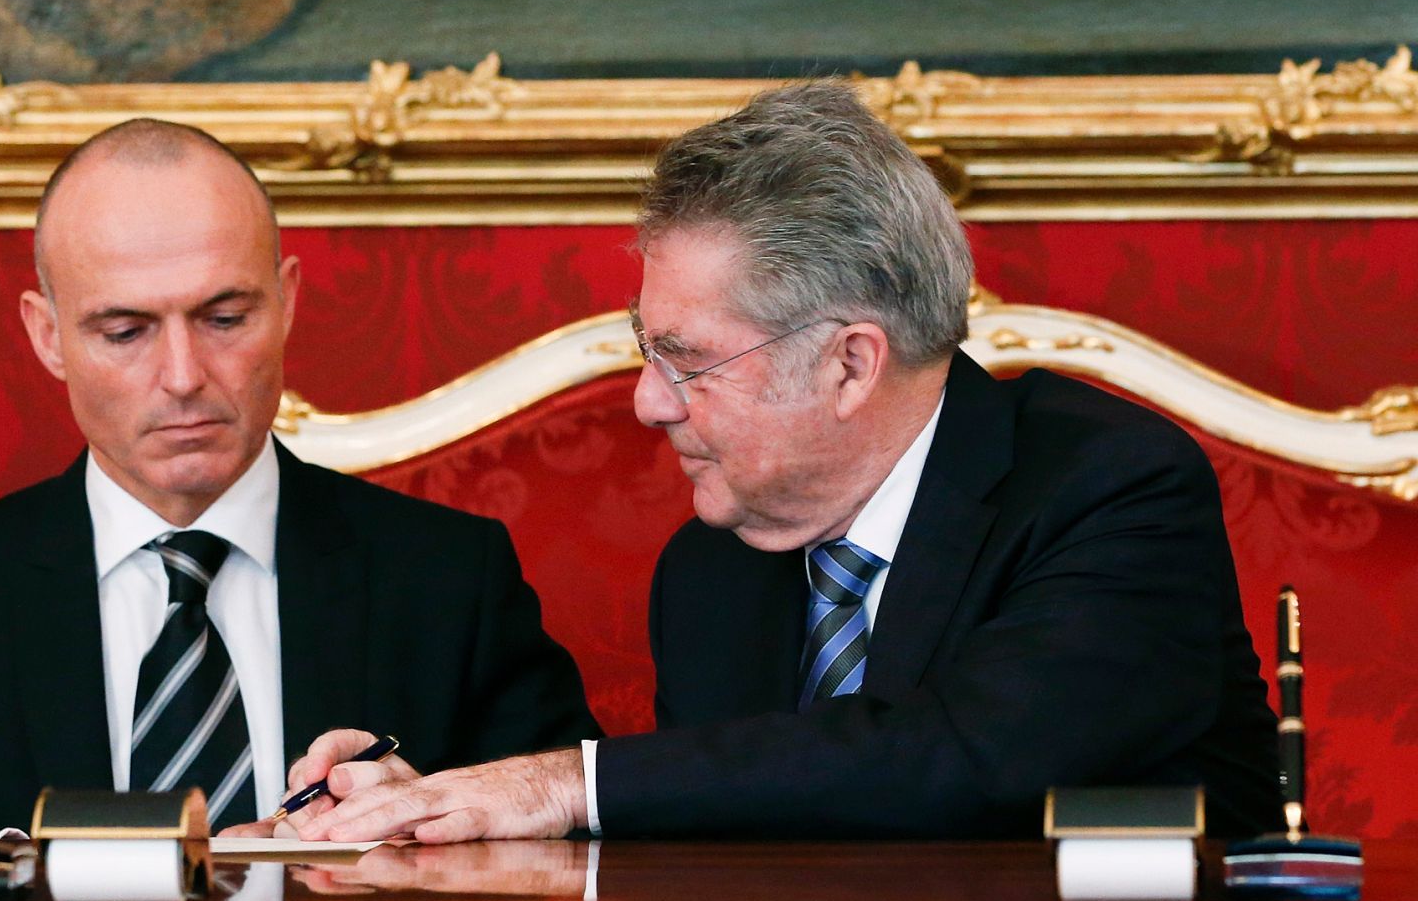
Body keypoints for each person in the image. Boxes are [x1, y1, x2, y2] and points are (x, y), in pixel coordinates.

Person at [272, 78, 1281, 844]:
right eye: (645, 349)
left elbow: (961, 759)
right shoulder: (712, 570)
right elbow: (712, 827)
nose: (648, 401)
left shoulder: (1108, 490)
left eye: (689, 361)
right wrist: (430, 810)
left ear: (850, 364)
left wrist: (565, 785)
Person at [0, 119, 596, 838]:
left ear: (287, 302)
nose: (184, 375)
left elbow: (577, 855)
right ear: (48, 336)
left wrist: (431, 827)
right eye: (125, 331)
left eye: (224, 318)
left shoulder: (451, 580)